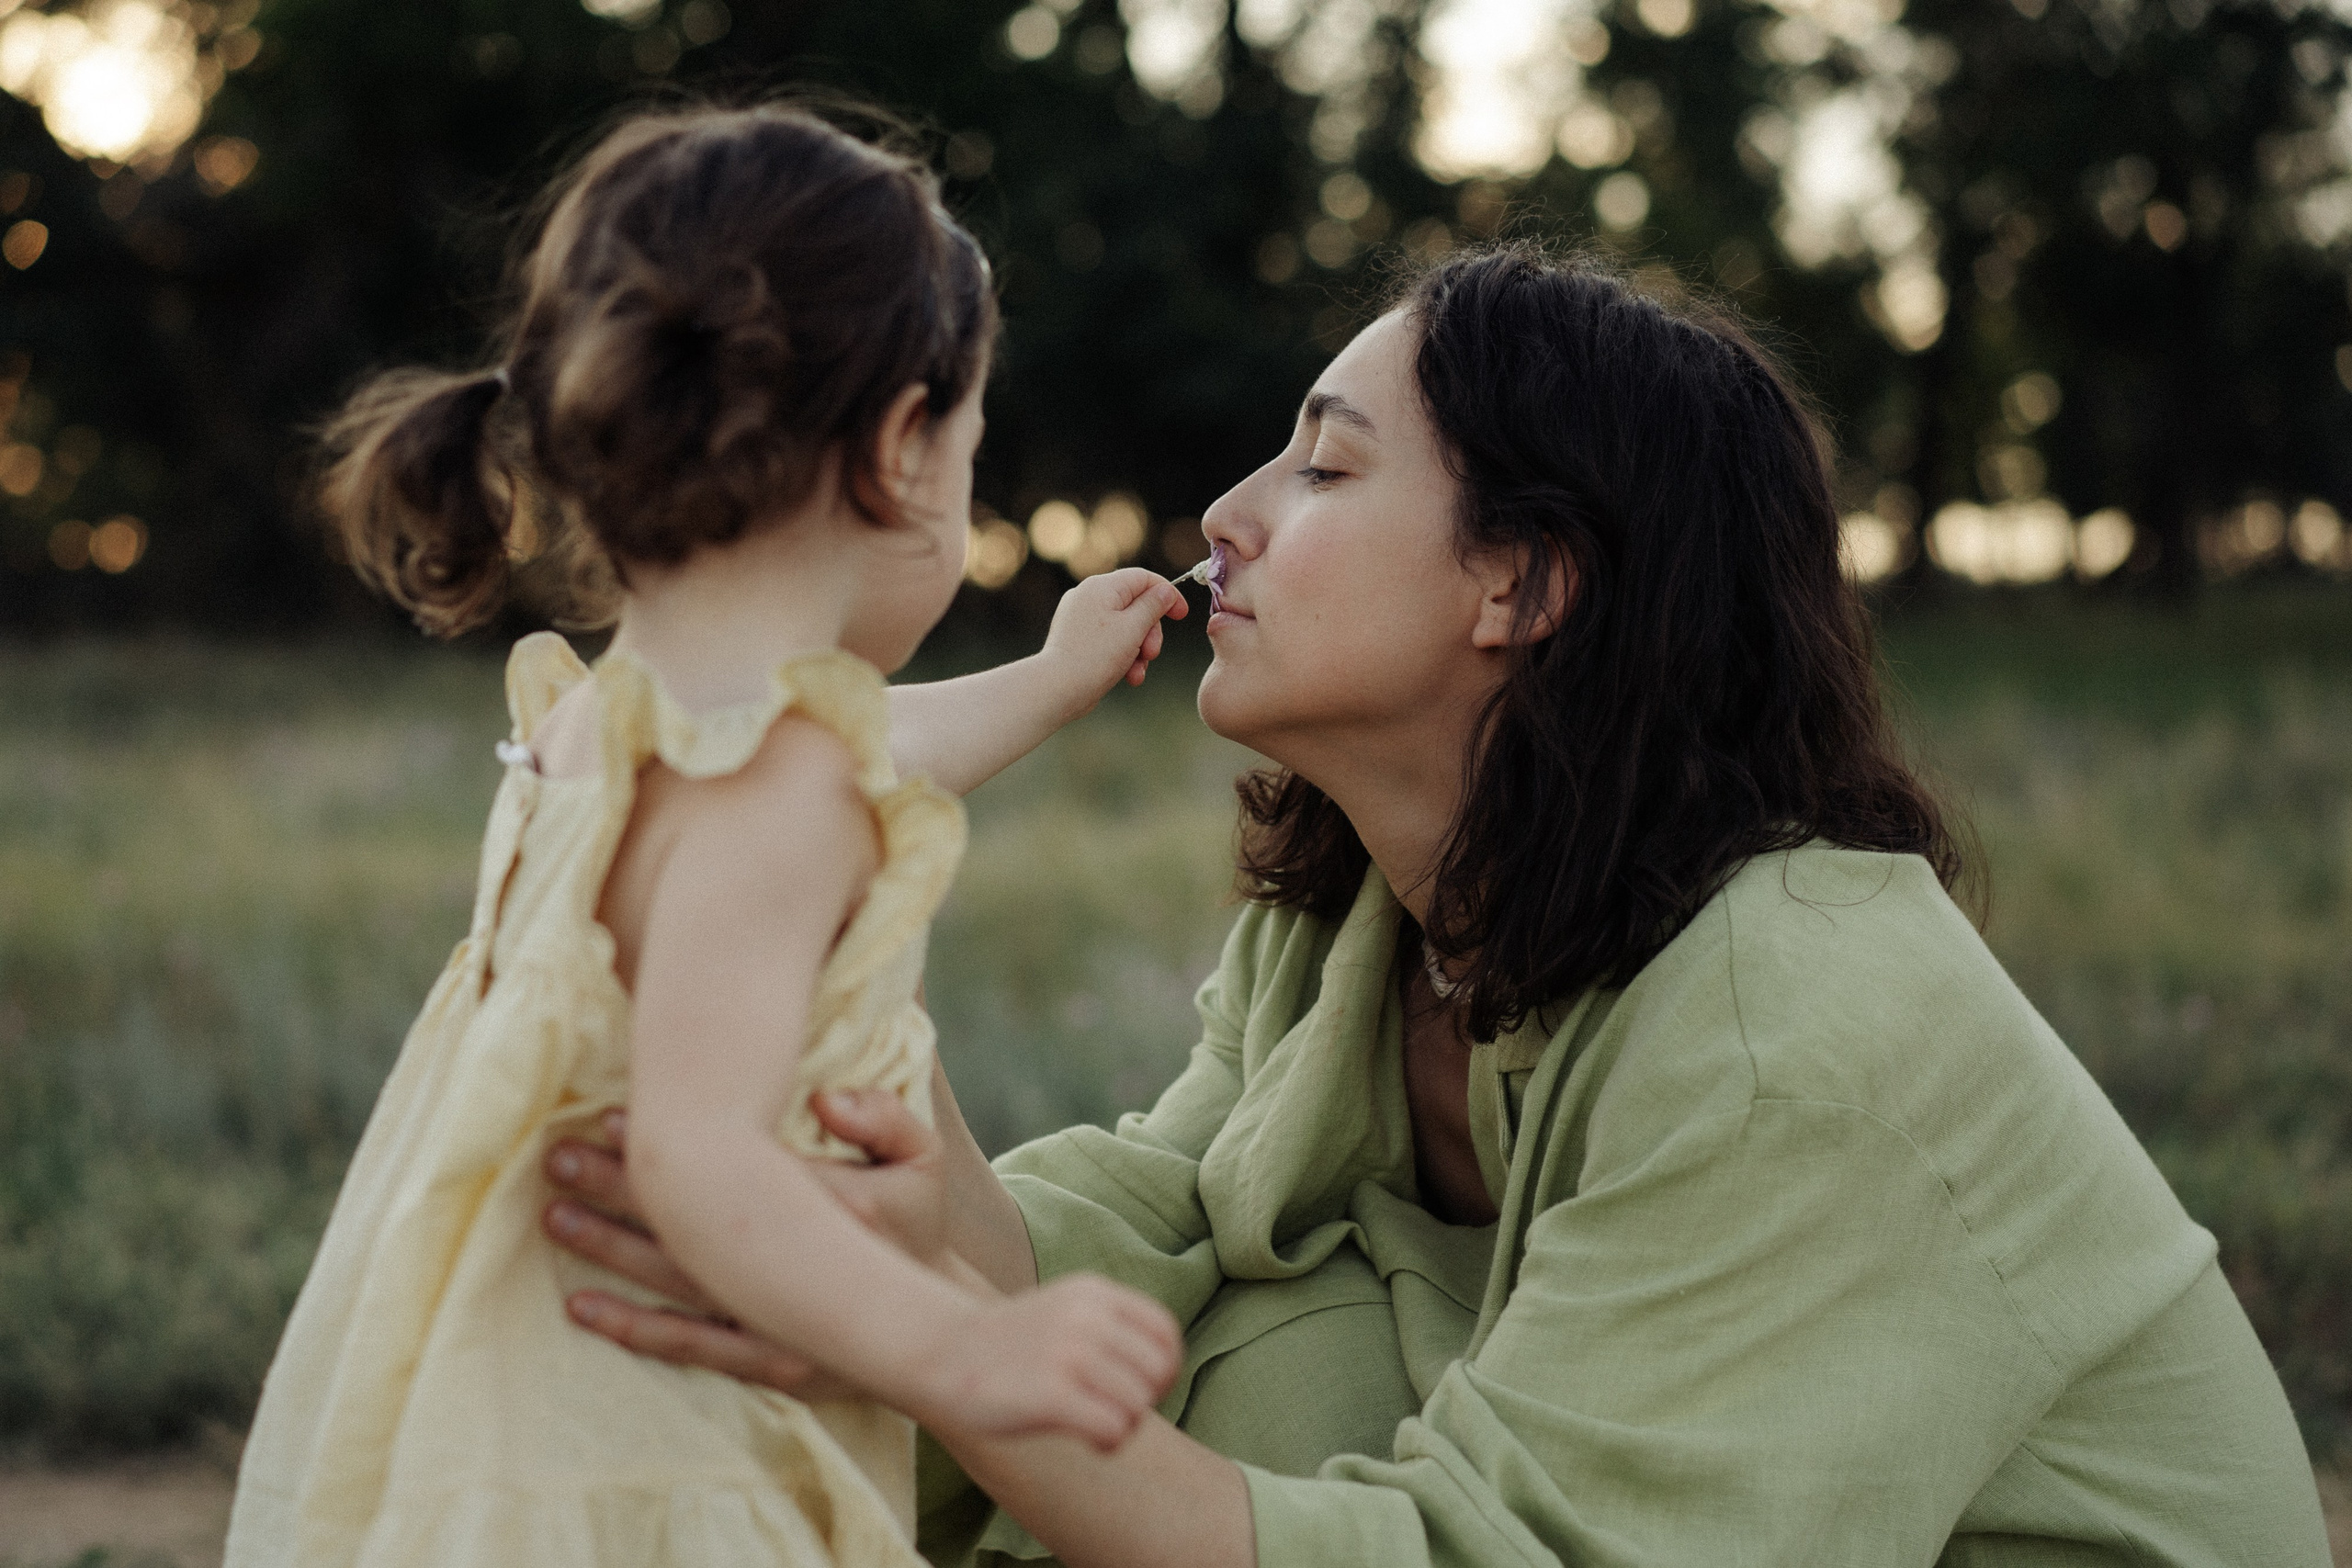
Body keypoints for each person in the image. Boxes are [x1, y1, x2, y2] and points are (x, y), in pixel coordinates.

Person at [546, 242, 2334, 1567]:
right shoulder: (1368, 909)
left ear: (1524, 582)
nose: (1226, 515)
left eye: (1324, 466)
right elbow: (1150, 1222)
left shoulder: (1788, 1029)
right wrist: (851, 1019)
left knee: (1246, 1377)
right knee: (1244, 1328)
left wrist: (934, 1351)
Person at [223, 103, 1195, 1568]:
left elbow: (876, 744)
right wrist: (967, 1352)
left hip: (509, 1410)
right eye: (972, 451)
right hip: (663, 1450)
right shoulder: (779, 787)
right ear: (901, 448)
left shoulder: (609, 725)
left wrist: (1053, 680)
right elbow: (700, 1163)